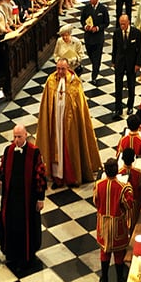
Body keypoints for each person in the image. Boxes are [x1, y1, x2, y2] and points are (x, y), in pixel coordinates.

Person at [35, 58, 101, 187]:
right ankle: (57, 177)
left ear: (68, 68)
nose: (60, 71)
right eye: (58, 68)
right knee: (56, 148)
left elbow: (79, 107)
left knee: (70, 147)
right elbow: (46, 104)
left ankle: (73, 176)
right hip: (55, 121)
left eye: (62, 69)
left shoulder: (75, 83)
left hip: (71, 125)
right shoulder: (51, 81)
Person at [0, 123, 47, 272]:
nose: (16, 140)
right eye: (14, 137)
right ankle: (12, 254)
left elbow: (40, 176)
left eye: (19, 136)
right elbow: (3, 169)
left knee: (26, 229)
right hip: (11, 199)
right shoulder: (8, 150)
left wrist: (40, 198)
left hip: (28, 201)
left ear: (26, 135)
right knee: (12, 227)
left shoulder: (34, 152)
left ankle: (26, 257)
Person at [94, 155, 133, 282]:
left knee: (104, 252)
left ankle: (104, 279)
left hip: (103, 223)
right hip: (117, 225)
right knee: (118, 254)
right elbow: (128, 205)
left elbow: (96, 202)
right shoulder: (123, 187)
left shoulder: (98, 185)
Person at [112, 13, 141, 116]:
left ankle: (130, 106)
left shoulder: (136, 32)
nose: (122, 26)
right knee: (118, 85)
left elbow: (140, 49)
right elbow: (115, 48)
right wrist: (113, 61)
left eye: (124, 24)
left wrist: (138, 64)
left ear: (128, 22)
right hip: (119, 63)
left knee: (131, 86)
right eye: (120, 24)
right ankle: (118, 108)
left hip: (131, 63)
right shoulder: (116, 33)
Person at [80, 0, 110, 81]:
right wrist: (85, 26)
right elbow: (82, 20)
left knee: (97, 58)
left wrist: (97, 28)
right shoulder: (86, 8)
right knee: (90, 54)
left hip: (98, 37)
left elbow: (106, 22)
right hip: (88, 37)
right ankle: (95, 65)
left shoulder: (103, 9)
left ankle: (94, 75)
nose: (91, 0)